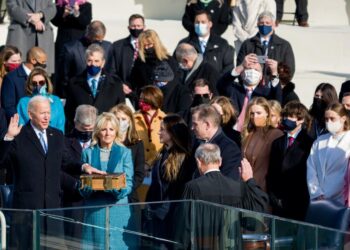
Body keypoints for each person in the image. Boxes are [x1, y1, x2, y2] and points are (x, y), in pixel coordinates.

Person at [0, 96, 102, 248]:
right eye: (42, 113)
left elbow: (66, 160)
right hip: (27, 211)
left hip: (53, 208)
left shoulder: (57, 135)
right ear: (30, 114)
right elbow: (2, 162)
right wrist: (8, 138)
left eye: (48, 112)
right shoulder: (18, 135)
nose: (47, 117)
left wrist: (84, 166)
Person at [80, 112, 134, 249]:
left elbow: (128, 183)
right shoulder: (88, 152)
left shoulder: (125, 152)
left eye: (111, 129)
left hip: (118, 210)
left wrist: (117, 189)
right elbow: (82, 185)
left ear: (116, 131)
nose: (107, 133)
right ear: (98, 132)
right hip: (95, 210)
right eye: (104, 129)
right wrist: (87, 188)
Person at [145, 114, 193, 242]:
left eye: (162, 129)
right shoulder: (163, 153)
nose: (158, 132)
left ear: (172, 133)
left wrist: (161, 210)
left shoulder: (183, 158)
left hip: (169, 216)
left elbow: (177, 191)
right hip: (156, 213)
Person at [267, 101, 313, 221]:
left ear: (301, 119)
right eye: (285, 116)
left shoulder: (308, 143)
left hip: (298, 201)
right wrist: (273, 196)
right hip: (278, 201)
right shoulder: (277, 142)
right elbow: (272, 171)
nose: (287, 119)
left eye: (291, 117)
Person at [64, 43, 125, 132]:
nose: (93, 64)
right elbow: (69, 111)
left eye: (97, 61)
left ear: (103, 62)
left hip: (106, 133)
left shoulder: (115, 83)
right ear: (85, 61)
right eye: (90, 60)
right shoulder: (74, 83)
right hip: (83, 132)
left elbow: (121, 109)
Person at [217, 54, 282, 131]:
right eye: (249, 69)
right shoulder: (233, 89)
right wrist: (241, 66)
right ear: (242, 73)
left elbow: (277, 99)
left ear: (261, 76)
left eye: (256, 70)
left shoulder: (265, 93)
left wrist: (274, 73)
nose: (252, 72)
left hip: (255, 133)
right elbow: (221, 84)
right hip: (232, 133)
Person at [63, 104, 97, 242]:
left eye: (90, 129)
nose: (87, 132)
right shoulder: (63, 141)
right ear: (75, 123)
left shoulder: (101, 142)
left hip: (96, 200)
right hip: (73, 200)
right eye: (83, 129)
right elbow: (61, 167)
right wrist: (77, 185)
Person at [307, 102, 350, 203]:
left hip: (341, 199)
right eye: (326, 119)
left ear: (343, 118)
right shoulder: (320, 141)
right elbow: (311, 168)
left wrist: (331, 193)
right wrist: (317, 192)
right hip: (318, 199)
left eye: (332, 118)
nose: (329, 122)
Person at [57, 20, 111, 97]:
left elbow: (110, 72)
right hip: (77, 95)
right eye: (97, 40)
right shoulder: (71, 49)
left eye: (101, 40)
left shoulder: (107, 46)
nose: (100, 42)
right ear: (88, 35)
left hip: (101, 96)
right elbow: (64, 78)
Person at [237, 11, 295, 79]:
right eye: (261, 23)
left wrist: (277, 68)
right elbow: (239, 67)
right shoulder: (247, 44)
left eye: (267, 23)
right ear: (257, 24)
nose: (264, 25)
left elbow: (290, 70)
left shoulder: (284, 45)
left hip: (275, 86)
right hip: (253, 86)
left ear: (273, 25)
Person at [241, 97, 283, 192]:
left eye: (259, 113)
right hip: (246, 188)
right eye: (252, 113)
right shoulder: (248, 134)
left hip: (263, 190)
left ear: (267, 113)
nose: (255, 116)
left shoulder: (276, 134)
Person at [191, 104, 241, 180]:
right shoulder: (198, 143)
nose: (192, 128)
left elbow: (228, 182)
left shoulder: (230, 149)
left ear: (207, 125)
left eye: (195, 124)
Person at [134, 86, 166, 202]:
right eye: (140, 99)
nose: (140, 102)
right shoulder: (133, 118)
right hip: (138, 169)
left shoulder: (165, 119)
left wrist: (150, 163)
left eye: (144, 99)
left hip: (157, 169)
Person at [6, 0, 56, 74]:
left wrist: (40, 15)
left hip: (43, 36)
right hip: (20, 36)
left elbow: (52, 8)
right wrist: (30, 18)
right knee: (17, 75)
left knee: (42, 77)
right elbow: (11, 6)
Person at [178, 10, 234, 75]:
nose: (200, 25)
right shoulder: (185, 44)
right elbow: (177, 67)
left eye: (203, 22)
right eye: (197, 22)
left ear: (210, 24)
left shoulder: (222, 44)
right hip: (191, 83)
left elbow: (228, 67)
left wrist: (217, 81)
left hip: (216, 83)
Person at [106, 14, 145, 105]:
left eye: (139, 26)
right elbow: (110, 70)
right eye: (133, 26)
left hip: (144, 93)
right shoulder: (117, 46)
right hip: (122, 92)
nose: (136, 28)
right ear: (128, 27)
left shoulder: (149, 45)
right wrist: (120, 85)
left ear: (144, 27)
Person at [110, 103, 145, 203]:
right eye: (117, 119)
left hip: (129, 196)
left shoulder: (137, 144)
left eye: (124, 119)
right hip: (107, 195)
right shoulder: (105, 141)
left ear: (130, 121)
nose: (120, 122)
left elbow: (139, 173)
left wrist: (125, 189)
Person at [1, 47, 47, 121]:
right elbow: (9, 107)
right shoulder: (11, 78)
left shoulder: (42, 75)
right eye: (43, 62)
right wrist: (21, 124)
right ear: (33, 60)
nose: (44, 65)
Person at [130, 29, 179, 95]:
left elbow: (175, 82)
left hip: (167, 97)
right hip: (147, 99)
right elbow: (134, 82)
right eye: (144, 45)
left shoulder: (168, 60)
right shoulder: (140, 62)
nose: (147, 48)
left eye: (149, 44)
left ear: (156, 43)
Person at [17, 67, 65, 132]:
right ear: (30, 85)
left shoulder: (56, 101)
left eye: (41, 82)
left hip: (54, 139)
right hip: (31, 139)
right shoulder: (23, 102)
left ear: (47, 83)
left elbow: (60, 125)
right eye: (34, 83)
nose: (38, 85)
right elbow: (21, 127)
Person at [51, 0, 92, 73]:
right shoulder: (59, 4)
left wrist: (77, 13)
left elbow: (86, 22)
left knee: (79, 67)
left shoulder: (86, 5)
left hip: (79, 42)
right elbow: (54, 21)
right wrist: (64, 14)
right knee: (61, 69)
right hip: (63, 42)